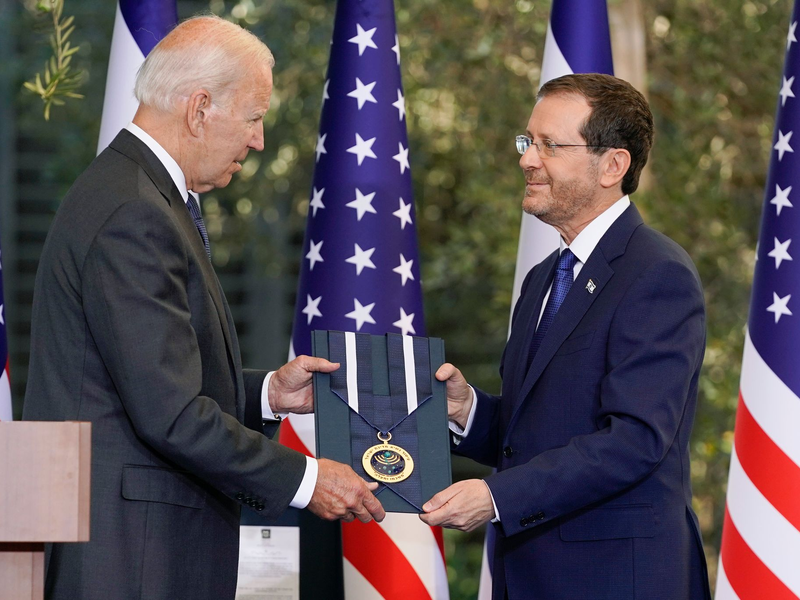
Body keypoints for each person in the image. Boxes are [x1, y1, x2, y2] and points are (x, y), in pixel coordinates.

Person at [22, 15, 384, 600]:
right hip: (133, 557)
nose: (259, 140)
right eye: (254, 117)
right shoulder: (134, 213)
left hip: (136, 548)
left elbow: (145, 378)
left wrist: (268, 392)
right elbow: (169, 414)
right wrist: (307, 478)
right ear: (199, 110)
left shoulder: (135, 193)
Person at [420, 73, 711, 600]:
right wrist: (468, 412)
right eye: (527, 141)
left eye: (549, 145)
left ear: (613, 166)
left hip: (617, 580)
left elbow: (633, 441)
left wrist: (494, 496)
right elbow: (534, 433)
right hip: (529, 575)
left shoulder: (657, 273)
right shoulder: (543, 279)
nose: (527, 159)